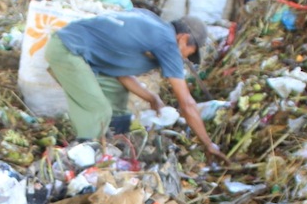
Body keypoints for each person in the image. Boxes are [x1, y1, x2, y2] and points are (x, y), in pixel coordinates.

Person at [45, 9, 227, 162]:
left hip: (77, 50)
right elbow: (186, 103)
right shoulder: (168, 43)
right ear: (183, 38)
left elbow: (120, 73)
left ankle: (117, 146)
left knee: (117, 98)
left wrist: (152, 97)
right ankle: (82, 161)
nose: (185, 58)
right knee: (98, 111)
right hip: (68, 50)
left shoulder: (154, 25)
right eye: (189, 52)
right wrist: (208, 143)